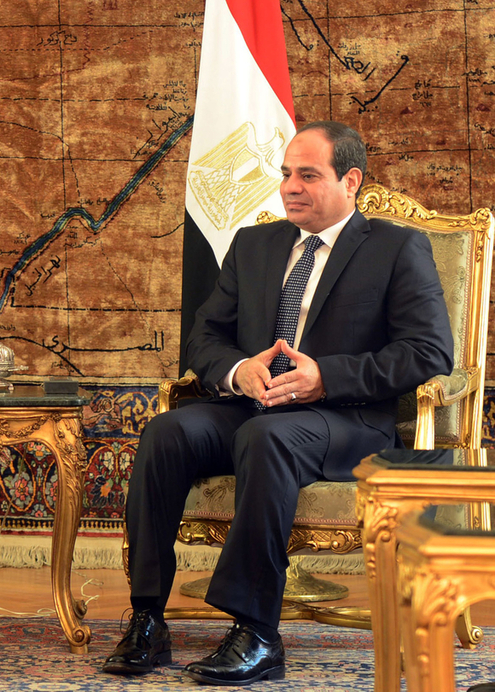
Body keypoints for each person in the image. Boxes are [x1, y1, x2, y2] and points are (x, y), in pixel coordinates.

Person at [103, 121, 454, 685]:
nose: (290, 186)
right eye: (287, 173)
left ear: (350, 180)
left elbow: (430, 351)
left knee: (265, 437)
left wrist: (326, 378)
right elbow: (204, 337)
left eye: (308, 175)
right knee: (167, 432)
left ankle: (257, 632)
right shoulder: (254, 245)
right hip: (254, 407)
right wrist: (240, 371)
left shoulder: (395, 248)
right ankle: (147, 618)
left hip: (345, 420)